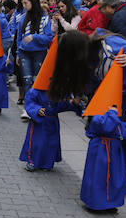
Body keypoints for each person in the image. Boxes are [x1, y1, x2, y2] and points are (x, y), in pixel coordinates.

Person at [53, 30, 126, 204]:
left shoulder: (107, 44)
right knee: (122, 135)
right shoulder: (85, 62)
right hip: (122, 91)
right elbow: (93, 83)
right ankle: (125, 181)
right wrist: (79, 97)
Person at [19, 39, 82, 171]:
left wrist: (73, 103)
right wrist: (36, 110)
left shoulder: (56, 92)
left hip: (52, 122)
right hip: (40, 123)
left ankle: (47, 163)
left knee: (50, 143)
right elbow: (29, 103)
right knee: (37, 143)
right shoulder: (34, 91)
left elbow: (61, 105)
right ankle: (32, 161)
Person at [15, 0, 53, 120]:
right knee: (26, 80)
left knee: (37, 81)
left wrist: (34, 37)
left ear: (33, 3)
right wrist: (18, 54)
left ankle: (37, 107)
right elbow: (18, 38)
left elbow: (49, 37)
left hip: (39, 53)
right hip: (24, 52)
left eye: (26, 3)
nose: (24, 5)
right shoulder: (22, 18)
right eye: (23, 3)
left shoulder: (45, 18)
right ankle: (28, 108)